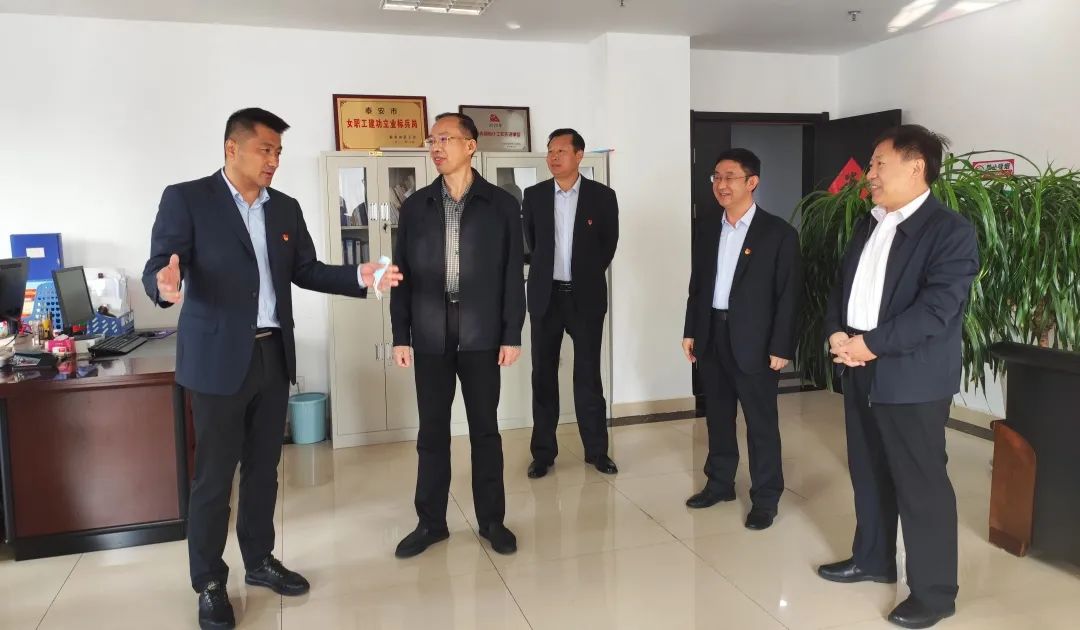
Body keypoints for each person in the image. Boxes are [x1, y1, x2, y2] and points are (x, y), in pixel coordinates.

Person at [142, 107, 401, 630]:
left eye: (278, 152)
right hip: (217, 361)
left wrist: (358, 275)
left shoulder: (284, 208)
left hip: (272, 355)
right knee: (214, 478)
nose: (273, 161)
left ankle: (259, 560)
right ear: (231, 148)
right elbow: (161, 265)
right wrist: (163, 287)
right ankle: (209, 581)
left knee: (263, 470)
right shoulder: (187, 199)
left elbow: (306, 270)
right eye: (265, 149)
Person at [817, 125, 979, 629]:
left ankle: (934, 594)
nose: (869, 174)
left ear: (916, 167)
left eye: (878, 164)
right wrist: (837, 333)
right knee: (867, 468)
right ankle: (873, 558)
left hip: (912, 377)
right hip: (858, 366)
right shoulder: (869, 224)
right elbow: (843, 288)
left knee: (921, 483)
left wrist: (870, 344)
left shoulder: (950, 231)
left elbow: (936, 310)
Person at [390, 112, 525, 559]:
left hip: (482, 332)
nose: (436, 147)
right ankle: (431, 523)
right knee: (431, 432)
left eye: (445, 138)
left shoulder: (501, 205)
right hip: (430, 332)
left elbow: (512, 275)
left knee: (485, 430)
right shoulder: (416, 206)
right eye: (432, 140)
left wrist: (511, 333)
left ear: (471, 146)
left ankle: (492, 521)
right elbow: (401, 276)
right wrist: (401, 334)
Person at [682, 148, 801, 531]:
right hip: (712, 334)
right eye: (716, 177)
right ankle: (719, 484)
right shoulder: (707, 229)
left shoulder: (778, 233)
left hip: (756, 342)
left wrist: (781, 346)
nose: (721, 184)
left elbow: (788, 294)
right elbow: (698, 286)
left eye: (729, 177)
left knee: (760, 423)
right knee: (718, 417)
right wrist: (691, 330)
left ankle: (765, 498)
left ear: (752, 182)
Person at [523, 128, 620, 478]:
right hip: (546, 298)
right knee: (543, 376)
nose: (553, 157)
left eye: (561, 151)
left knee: (588, 376)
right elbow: (532, 243)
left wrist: (584, 273)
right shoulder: (534, 196)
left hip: (585, 298)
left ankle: (597, 451)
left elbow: (608, 245)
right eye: (550, 151)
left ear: (579, 155)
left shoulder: (602, 197)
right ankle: (543, 454)